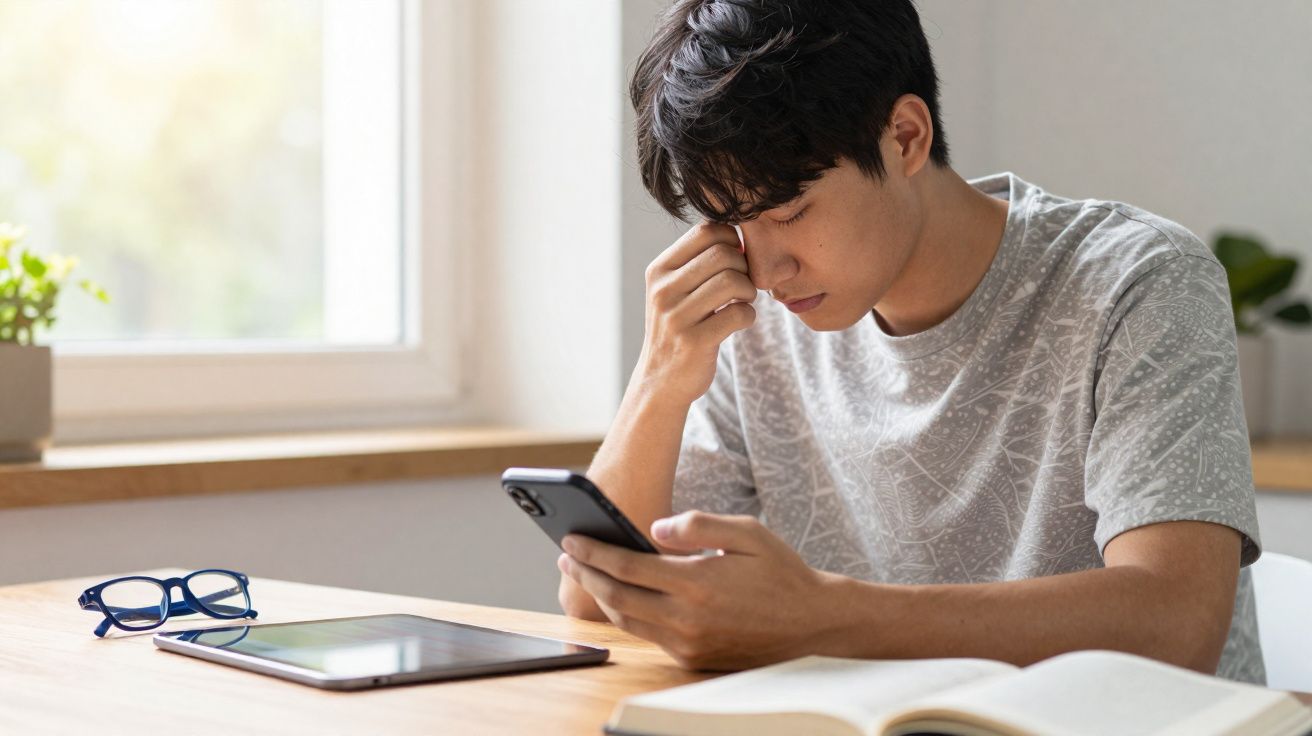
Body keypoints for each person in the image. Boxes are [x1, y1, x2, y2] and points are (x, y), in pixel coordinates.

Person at [556, 0, 1264, 684]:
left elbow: (1177, 624)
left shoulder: (1138, 282)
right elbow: (595, 605)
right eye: (731, 224)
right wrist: (659, 377)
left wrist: (822, 617)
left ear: (904, 138)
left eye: (790, 211)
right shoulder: (753, 313)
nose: (766, 269)